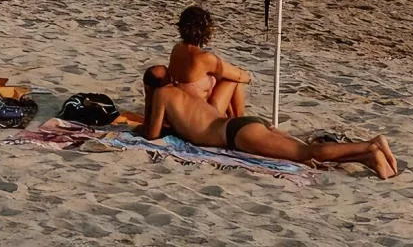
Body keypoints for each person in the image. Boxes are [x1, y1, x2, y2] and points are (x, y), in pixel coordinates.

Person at [141, 66, 398, 179]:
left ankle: (371, 146)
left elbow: (151, 135)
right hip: (243, 124)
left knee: (306, 153)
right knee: (306, 154)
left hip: (236, 134)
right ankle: (365, 156)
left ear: (151, 87)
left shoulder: (162, 95)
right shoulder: (183, 90)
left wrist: (149, 103)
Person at [168, 5, 251, 117]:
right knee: (234, 79)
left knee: (221, 76)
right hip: (200, 116)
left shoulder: (177, 48)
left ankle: (232, 119)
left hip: (180, 110)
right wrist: (249, 78)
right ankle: (239, 119)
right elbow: (240, 76)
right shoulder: (203, 58)